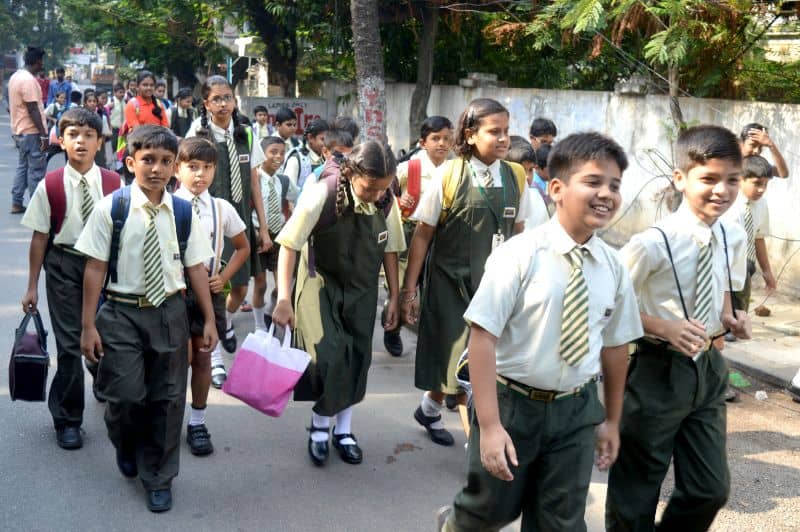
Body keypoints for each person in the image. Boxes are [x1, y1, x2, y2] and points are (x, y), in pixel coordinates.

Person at [437, 132, 643, 532]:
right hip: (513, 405)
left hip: (576, 409)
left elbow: (616, 347)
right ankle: (454, 523)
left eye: (615, 185)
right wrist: (490, 427)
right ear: (557, 189)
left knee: (561, 523)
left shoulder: (613, 266)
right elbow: (482, 338)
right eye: (593, 182)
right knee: (489, 511)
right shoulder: (519, 255)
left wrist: (612, 421)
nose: (606, 194)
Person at [606, 125, 751, 531]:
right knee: (636, 492)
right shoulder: (652, 243)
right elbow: (607, 307)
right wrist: (662, 327)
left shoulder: (732, 235)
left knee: (709, 489)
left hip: (707, 370)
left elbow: (723, 285)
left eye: (732, 180)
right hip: (656, 370)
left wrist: (731, 317)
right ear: (680, 178)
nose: (722, 190)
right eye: (709, 179)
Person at [76, 125, 217, 513]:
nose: (157, 168)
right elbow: (94, 268)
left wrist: (208, 319)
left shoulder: (183, 213)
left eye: (166, 161)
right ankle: (127, 444)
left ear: (174, 166)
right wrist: (88, 325)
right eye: (148, 160)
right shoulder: (113, 209)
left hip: (170, 311)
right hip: (122, 311)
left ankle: (158, 475)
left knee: (168, 398)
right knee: (124, 395)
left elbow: (196, 268)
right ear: (130, 162)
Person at [400, 98, 532, 446]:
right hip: (451, 285)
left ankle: (429, 408)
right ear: (471, 135)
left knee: (470, 363)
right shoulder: (449, 174)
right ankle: (480, 445)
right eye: (494, 131)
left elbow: (520, 233)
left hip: (496, 286)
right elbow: (423, 234)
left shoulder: (516, 176)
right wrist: (409, 291)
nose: (503, 138)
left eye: (506, 131)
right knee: (466, 366)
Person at [272, 140, 404, 467]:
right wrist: (284, 298)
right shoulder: (323, 194)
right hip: (320, 285)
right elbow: (289, 245)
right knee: (327, 357)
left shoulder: (385, 200)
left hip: (362, 290)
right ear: (351, 172)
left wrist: (394, 296)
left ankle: (343, 430)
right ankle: (320, 425)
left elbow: (391, 250)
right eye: (369, 187)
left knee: (357, 358)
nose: (376, 194)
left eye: (383, 188)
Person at [20, 108, 121, 450]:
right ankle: (67, 418)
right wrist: (32, 285)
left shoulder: (113, 183)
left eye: (89, 135)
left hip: (104, 266)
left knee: (104, 335)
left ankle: (98, 372)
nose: (81, 141)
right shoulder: (50, 184)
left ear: (100, 142)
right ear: (61, 141)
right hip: (64, 265)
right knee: (69, 345)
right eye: (73, 135)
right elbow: (39, 238)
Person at [185, 75, 270, 386]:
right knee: (213, 290)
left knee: (240, 288)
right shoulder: (199, 133)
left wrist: (262, 227)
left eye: (228, 97)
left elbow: (254, 181)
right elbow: (188, 175)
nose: (223, 104)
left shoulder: (245, 133)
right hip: (209, 220)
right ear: (206, 103)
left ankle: (227, 323)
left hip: (239, 220)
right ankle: (216, 357)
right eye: (217, 99)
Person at [173, 137, 250, 456]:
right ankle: (169, 420)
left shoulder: (221, 209)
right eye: (192, 167)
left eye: (207, 167)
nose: (200, 174)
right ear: (177, 169)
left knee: (203, 357)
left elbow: (243, 247)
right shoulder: (166, 205)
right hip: (174, 294)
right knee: (177, 360)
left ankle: (197, 422)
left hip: (210, 292)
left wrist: (224, 277)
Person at [382, 116, 453, 357]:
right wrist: (398, 201)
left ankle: (425, 335)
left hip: (440, 234)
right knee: (403, 285)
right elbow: (383, 195)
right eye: (436, 138)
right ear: (423, 142)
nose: (442, 143)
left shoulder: (453, 169)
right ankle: (393, 326)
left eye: (446, 139)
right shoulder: (408, 168)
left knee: (431, 288)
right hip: (410, 233)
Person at [252, 136, 299, 332]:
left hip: (279, 236)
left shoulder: (284, 181)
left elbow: (299, 198)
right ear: (261, 154)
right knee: (260, 284)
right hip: (257, 235)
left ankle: (271, 311)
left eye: (282, 152)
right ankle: (259, 325)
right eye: (273, 152)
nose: (278, 156)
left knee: (283, 285)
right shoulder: (253, 179)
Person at [722, 154, 775, 321]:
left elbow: (758, 237)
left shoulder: (762, 204)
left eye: (765, 184)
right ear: (740, 179)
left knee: (740, 309)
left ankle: (732, 326)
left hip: (746, 266)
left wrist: (766, 271)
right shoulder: (726, 201)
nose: (761, 189)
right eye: (757, 183)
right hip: (725, 263)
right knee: (722, 306)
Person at [8, 46, 49, 214]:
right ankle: (35, 207)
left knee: (23, 167)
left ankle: (16, 202)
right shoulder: (29, 81)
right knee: (36, 170)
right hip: (31, 131)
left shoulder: (15, 77)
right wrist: (44, 135)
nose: (42, 65)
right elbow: (33, 109)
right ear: (38, 62)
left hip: (19, 130)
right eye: (42, 62)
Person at [506, 136, 549, 231]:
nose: (527, 177)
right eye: (521, 170)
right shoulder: (498, 198)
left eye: (530, 170)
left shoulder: (536, 199)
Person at [282, 117, 330, 190]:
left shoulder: (326, 158)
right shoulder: (296, 160)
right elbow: (289, 190)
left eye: (329, 140)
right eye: (322, 139)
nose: (327, 144)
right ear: (310, 137)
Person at [109, 83, 126, 150]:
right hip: (114, 130)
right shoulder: (111, 101)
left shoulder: (125, 102)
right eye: (120, 92)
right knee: (114, 147)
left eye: (123, 92)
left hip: (123, 129)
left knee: (121, 148)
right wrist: (108, 107)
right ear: (115, 93)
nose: (122, 94)